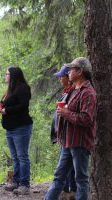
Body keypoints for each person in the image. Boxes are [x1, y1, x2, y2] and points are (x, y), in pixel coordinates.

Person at [45, 57, 97, 200]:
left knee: (81, 180)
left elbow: (87, 119)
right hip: (67, 141)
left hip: (80, 143)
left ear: (80, 71)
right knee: (59, 177)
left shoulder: (88, 92)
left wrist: (67, 113)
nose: (68, 72)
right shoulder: (74, 89)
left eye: (71, 69)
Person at [0, 66, 33, 195]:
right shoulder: (9, 90)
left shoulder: (23, 88)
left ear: (13, 76)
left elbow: (23, 106)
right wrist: (1, 107)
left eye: (7, 74)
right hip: (10, 128)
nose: (5, 76)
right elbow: (7, 103)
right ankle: (16, 181)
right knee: (15, 157)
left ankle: (25, 184)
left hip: (21, 127)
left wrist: (7, 110)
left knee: (22, 156)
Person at [52, 64, 77, 199]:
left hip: (71, 135)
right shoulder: (66, 91)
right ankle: (67, 189)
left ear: (69, 77)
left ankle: (71, 190)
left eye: (62, 76)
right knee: (67, 164)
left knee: (70, 165)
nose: (59, 79)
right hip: (63, 134)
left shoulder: (74, 92)